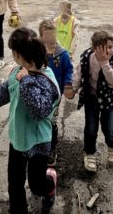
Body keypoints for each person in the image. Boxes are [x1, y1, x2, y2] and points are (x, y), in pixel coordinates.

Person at [0, 28, 60, 214]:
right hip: (18, 138)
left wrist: (26, 81)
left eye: (12, 51)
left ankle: (49, 184)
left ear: (17, 54)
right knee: (15, 185)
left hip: (39, 141)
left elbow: (39, 110)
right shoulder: (17, 71)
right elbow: (5, 91)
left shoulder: (46, 79)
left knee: (36, 185)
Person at [65, 31, 113, 173]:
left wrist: (105, 64)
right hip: (91, 98)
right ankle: (90, 153)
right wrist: (73, 89)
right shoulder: (87, 57)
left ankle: (111, 148)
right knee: (90, 128)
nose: (109, 50)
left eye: (111, 47)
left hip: (109, 100)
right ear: (95, 48)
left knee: (110, 128)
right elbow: (79, 75)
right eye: (105, 48)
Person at [38, 19, 74, 167]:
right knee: (38, 119)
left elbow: (69, 70)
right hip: (38, 93)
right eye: (45, 36)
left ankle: (52, 148)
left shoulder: (62, 54)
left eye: (51, 35)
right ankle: (37, 144)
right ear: (40, 37)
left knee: (51, 121)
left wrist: (67, 85)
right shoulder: (36, 52)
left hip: (55, 95)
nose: (49, 39)